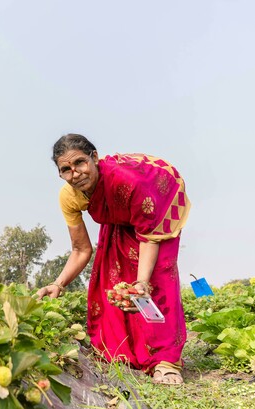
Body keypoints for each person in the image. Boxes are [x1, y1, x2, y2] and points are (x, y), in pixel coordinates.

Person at [37, 134, 191, 385]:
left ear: (95, 158)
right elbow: (81, 250)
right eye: (66, 169)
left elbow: (149, 238)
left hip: (157, 201)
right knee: (112, 274)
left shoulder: (128, 182)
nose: (75, 173)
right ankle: (124, 350)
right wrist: (58, 283)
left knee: (157, 276)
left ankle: (166, 360)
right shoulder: (69, 197)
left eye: (80, 163)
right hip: (120, 215)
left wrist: (142, 283)